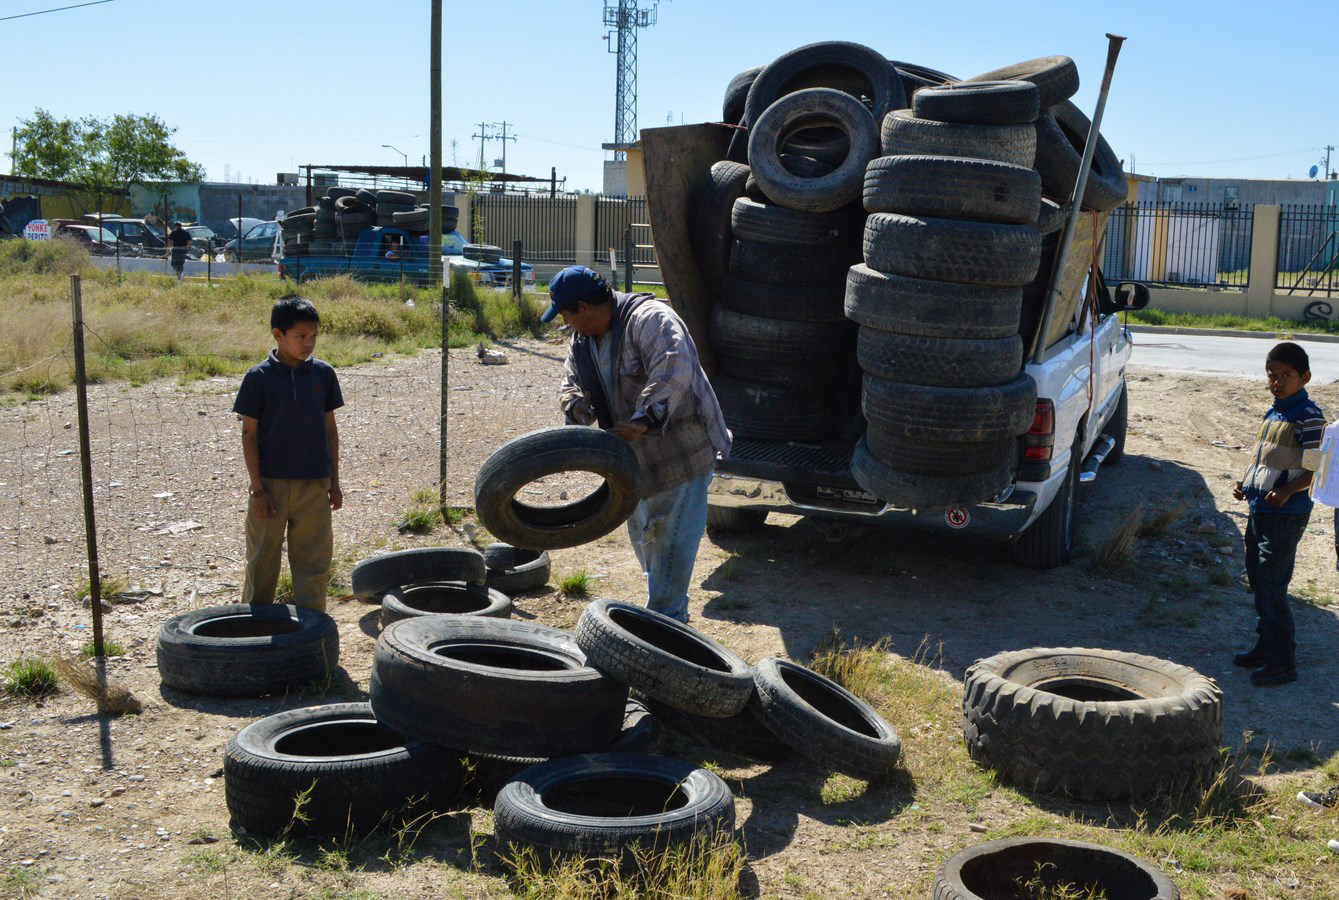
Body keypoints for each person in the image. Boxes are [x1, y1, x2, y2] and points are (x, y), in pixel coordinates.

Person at [545, 266, 730, 624]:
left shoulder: (650, 320)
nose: (565, 323)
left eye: (566, 314)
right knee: (649, 545)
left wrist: (646, 418)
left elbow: (675, 367)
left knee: (669, 552)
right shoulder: (583, 342)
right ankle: (668, 617)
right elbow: (570, 383)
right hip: (632, 465)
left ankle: (669, 635)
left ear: (583, 307)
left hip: (680, 458)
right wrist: (577, 408)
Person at [232, 295, 344, 611]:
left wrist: (334, 482)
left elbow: (330, 431)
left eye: (313, 337)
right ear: (278, 335)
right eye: (300, 337)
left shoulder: (323, 374)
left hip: (314, 486)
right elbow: (248, 435)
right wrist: (257, 490)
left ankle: (312, 638)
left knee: (314, 565)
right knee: (261, 564)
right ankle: (253, 636)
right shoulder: (259, 378)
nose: (308, 344)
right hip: (270, 487)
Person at [1231, 341, 1325, 686]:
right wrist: (1245, 483)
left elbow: (1316, 467)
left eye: (1286, 375)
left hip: (1287, 512)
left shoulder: (1309, 416)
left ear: (1305, 377)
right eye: (1272, 375)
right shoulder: (1276, 411)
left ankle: (1282, 661)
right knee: (1257, 578)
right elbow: (1264, 457)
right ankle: (1266, 646)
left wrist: (1287, 491)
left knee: (1271, 585)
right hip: (1260, 508)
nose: (1277, 381)